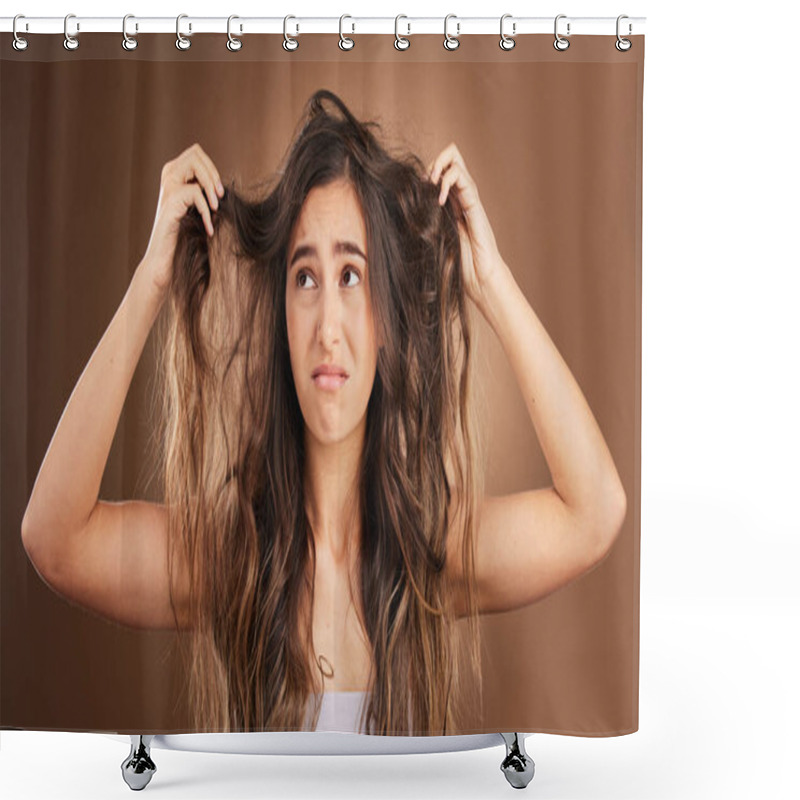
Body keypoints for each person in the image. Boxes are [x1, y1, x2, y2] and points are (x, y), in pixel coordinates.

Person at [21, 89, 626, 736]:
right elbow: (55, 539)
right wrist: (152, 279)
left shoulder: (430, 564)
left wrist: (490, 282)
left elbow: (594, 513)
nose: (328, 329)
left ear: (389, 319)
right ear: (282, 315)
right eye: (305, 277)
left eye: (353, 275)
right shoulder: (233, 564)